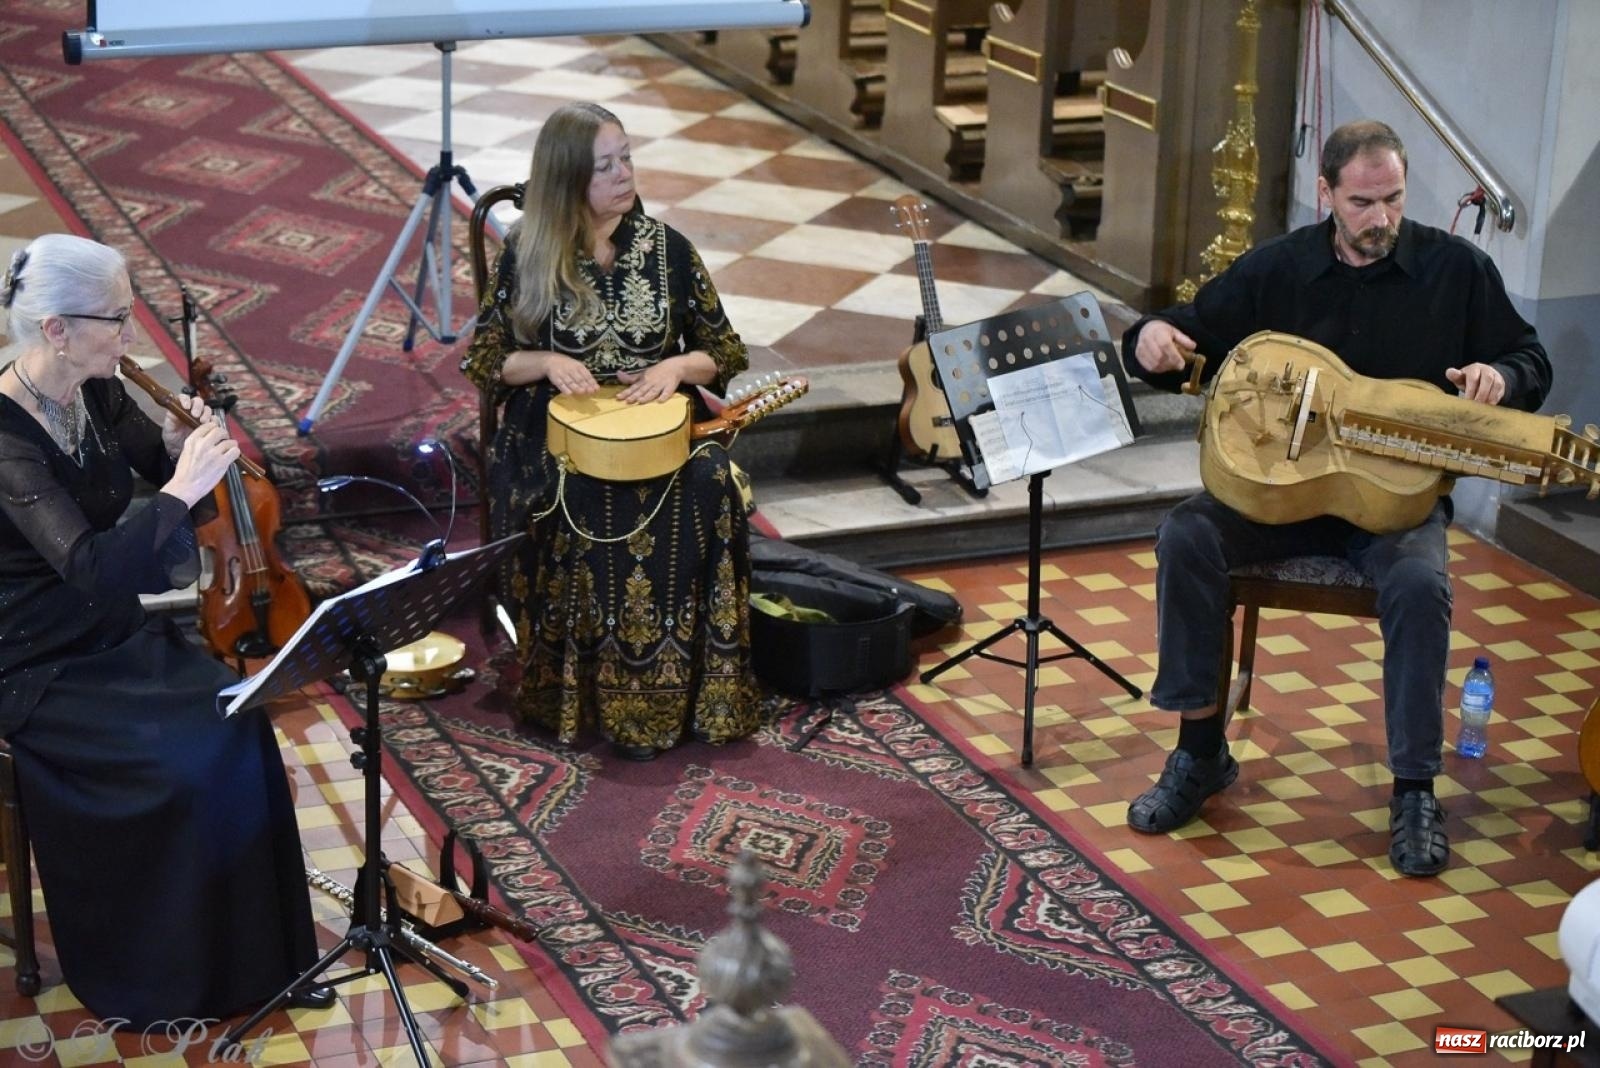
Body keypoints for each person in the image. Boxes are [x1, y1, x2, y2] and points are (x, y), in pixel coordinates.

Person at [1121, 120, 1552, 877]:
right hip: (1277, 504)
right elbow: (1185, 338)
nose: (1381, 218)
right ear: (1325, 192)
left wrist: (1502, 377)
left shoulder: (1456, 270)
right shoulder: (1278, 269)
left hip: (1392, 509)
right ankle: (1199, 751)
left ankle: (1415, 790)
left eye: (1394, 199)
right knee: (1186, 536)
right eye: (1361, 202)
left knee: (1420, 586)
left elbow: (1530, 359)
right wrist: (1148, 339)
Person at [0, 235, 329, 1024]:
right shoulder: (7, 441)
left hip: (113, 639)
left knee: (240, 722)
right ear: (56, 329)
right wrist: (182, 488)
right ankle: (166, 978)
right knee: (178, 768)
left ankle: (258, 962)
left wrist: (185, 447)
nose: (129, 333)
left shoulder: (98, 390)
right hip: (39, 662)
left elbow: (157, 463)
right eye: (115, 318)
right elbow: (93, 566)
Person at [461, 102, 761, 761]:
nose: (625, 174)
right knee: (587, 494)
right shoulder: (527, 253)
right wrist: (545, 361)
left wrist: (677, 366)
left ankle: (697, 694)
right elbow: (486, 361)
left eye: (626, 158)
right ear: (568, 177)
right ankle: (585, 696)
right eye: (605, 166)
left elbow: (725, 351)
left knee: (710, 478)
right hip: (554, 431)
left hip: (657, 427)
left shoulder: (668, 250)